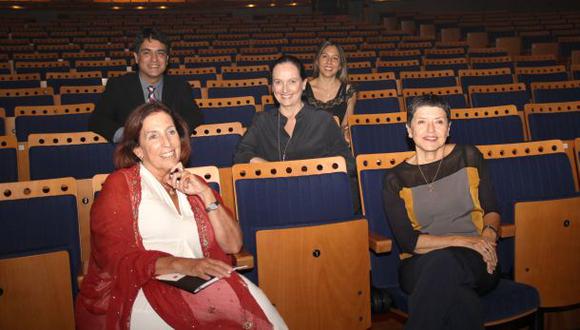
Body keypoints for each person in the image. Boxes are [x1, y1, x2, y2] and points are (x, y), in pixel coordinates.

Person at [76, 102, 287, 329]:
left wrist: (206, 195)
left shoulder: (195, 184)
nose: (167, 143)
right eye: (153, 136)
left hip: (202, 282)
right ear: (138, 150)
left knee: (267, 319)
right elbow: (114, 256)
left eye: (171, 132)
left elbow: (234, 245)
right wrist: (184, 265)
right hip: (142, 287)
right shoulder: (120, 185)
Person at [382, 94, 501, 330]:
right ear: (409, 129)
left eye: (439, 121)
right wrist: (467, 241)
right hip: (419, 263)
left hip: (476, 260)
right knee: (458, 294)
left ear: (449, 128)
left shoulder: (469, 156)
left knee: (451, 285)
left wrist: (488, 237)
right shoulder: (395, 179)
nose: (431, 129)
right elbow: (409, 242)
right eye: (421, 122)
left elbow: (492, 209)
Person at [234, 55, 355, 174]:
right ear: (272, 86)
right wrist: (274, 170)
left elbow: (348, 164)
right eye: (278, 82)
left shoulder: (323, 121)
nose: (284, 89)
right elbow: (241, 155)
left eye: (292, 81)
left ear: (303, 84)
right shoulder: (262, 121)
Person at [89, 28, 202, 143]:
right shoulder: (118, 85)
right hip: (131, 152)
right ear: (137, 57)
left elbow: (194, 116)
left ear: (167, 59)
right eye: (147, 53)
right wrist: (128, 135)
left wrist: (172, 132)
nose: (154, 59)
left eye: (160, 53)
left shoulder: (180, 86)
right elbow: (98, 120)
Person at [303, 41, 357, 139]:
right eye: (325, 56)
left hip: (335, 147)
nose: (329, 62)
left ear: (340, 65)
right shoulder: (302, 89)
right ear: (317, 61)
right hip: (307, 147)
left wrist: (346, 132)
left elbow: (345, 126)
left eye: (335, 58)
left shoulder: (348, 91)